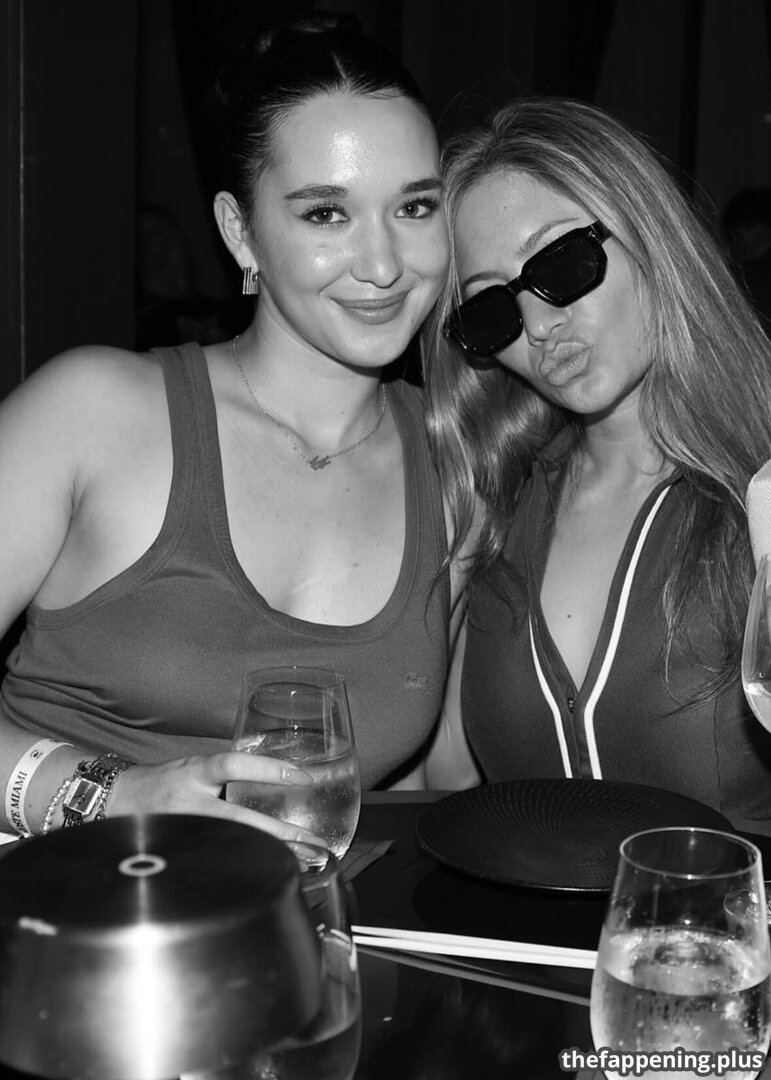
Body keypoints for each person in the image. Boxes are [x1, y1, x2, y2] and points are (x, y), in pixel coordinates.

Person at [0, 19, 460, 839]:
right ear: (239, 231)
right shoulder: (92, 414)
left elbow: (424, 786)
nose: (384, 264)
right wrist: (113, 796)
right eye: (327, 214)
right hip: (56, 900)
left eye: (415, 207)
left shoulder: (457, 467)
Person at [422, 96, 771, 834]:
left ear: (650, 235)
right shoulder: (500, 504)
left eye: (561, 263)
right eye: (492, 308)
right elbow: (448, 773)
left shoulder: (758, 489)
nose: (539, 326)